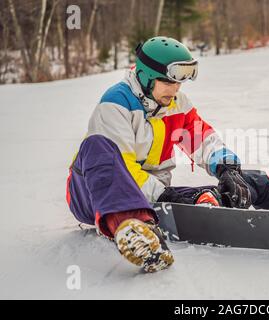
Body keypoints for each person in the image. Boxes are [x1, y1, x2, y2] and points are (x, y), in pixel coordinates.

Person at [66, 36, 250, 273]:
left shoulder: (175, 102)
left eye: (179, 83)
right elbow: (123, 167)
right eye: (168, 82)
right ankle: (134, 231)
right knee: (95, 145)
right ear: (145, 77)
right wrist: (164, 194)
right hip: (91, 193)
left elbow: (201, 137)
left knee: (213, 190)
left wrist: (227, 168)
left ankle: (232, 198)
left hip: (151, 194)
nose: (175, 89)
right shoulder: (116, 104)